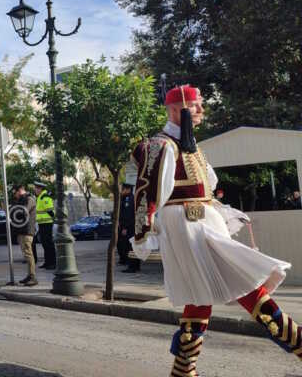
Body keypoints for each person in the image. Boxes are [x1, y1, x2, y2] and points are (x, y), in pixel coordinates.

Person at [131, 84, 300, 375]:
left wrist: (226, 214)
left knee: (201, 298)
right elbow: (147, 193)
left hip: (203, 225)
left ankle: (183, 369)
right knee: (245, 283)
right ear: (175, 109)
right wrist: (143, 233)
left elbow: (204, 191)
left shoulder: (192, 146)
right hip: (188, 228)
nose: (201, 110)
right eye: (195, 104)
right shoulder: (160, 145)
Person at [10, 184, 37, 286]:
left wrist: (14, 210)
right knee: (26, 254)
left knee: (28, 254)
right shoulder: (21, 200)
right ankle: (29, 275)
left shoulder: (29, 199)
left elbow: (23, 211)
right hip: (21, 230)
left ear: (19, 191)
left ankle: (33, 277)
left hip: (27, 230)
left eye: (15, 193)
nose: (14, 196)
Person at [117, 184, 140, 273]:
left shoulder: (129, 200)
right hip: (131, 227)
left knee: (129, 246)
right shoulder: (129, 198)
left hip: (129, 227)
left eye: (122, 189)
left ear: (127, 190)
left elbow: (128, 215)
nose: (121, 191)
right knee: (133, 246)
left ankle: (132, 266)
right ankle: (135, 266)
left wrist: (125, 227)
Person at [33, 181, 55, 269]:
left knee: (48, 244)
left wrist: (54, 219)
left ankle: (53, 263)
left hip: (47, 223)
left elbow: (50, 210)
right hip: (42, 223)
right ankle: (47, 262)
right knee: (45, 244)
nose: (35, 190)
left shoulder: (45, 197)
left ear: (40, 189)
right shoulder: (40, 197)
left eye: (36, 188)